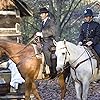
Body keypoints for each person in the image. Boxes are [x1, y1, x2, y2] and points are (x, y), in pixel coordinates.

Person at [35, 7, 57, 79]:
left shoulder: (51, 21)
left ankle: (51, 69)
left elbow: (53, 32)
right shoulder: (42, 22)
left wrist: (42, 34)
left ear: (46, 14)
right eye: (40, 14)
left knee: (45, 49)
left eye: (42, 14)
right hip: (43, 41)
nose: (41, 15)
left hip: (49, 41)